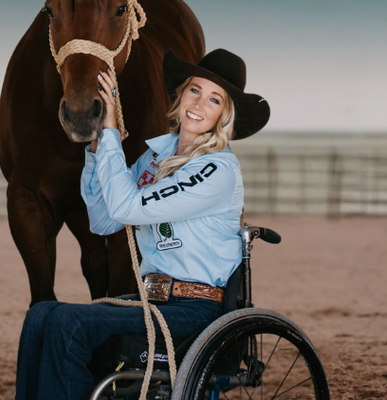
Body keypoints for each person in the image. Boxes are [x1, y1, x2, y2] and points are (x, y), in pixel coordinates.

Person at [15, 48, 270, 400]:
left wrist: (110, 135)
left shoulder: (216, 169)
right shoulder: (156, 157)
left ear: (224, 115)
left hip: (196, 308)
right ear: (181, 94)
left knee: (67, 322)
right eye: (194, 90)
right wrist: (97, 147)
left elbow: (126, 208)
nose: (199, 104)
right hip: (152, 298)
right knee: (40, 315)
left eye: (214, 99)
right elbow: (104, 220)